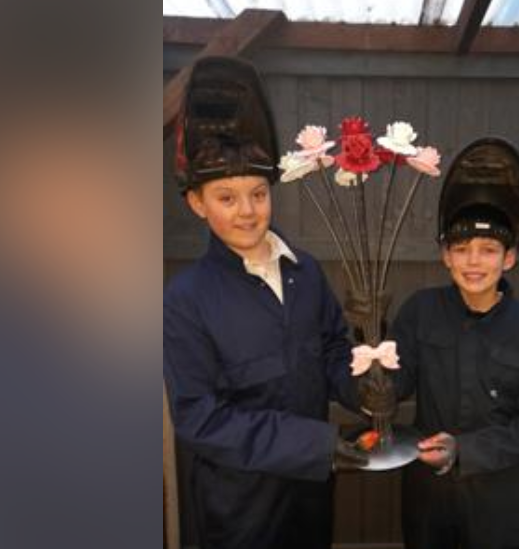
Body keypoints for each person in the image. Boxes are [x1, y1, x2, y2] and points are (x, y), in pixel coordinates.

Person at [163, 56, 369, 549]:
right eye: (226, 198)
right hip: (240, 514)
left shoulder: (306, 273)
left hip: (310, 501)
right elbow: (200, 419)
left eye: (257, 193)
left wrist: (367, 387)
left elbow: (335, 353)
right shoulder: (184, 302)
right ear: (196, 202)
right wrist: (318, 445)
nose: (248, 211)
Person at [388, 137, 519, 549]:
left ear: (509, 257)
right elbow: (393, 388)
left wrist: (464, 450)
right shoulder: (420, 311)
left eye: (488, 250)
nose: (473, 261)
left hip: (499, 500)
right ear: (445, 255)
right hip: (427, 496)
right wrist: (371, 363)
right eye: (461, 248)